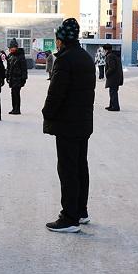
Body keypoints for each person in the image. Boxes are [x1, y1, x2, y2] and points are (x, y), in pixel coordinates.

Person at [42, 18, 96, 233]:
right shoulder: (85, 57)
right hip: (83, 121)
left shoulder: (64, 60)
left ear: (62, 39)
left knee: (67, 169)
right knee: (80, 167)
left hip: (67, 123)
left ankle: (69, 217)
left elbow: (56, 92)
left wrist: (47, 112)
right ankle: (80, 211)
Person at [6, 38, 28, 115]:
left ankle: (17, 109)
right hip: (12, 78)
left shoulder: (20, 56)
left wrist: (24, 78)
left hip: (18, 78)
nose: (10, 49)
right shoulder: (10, 56)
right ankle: (14, 108)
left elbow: (24, 68)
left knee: (16, 93)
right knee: (13, 93)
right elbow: (8, 68)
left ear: (16, 47)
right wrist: (7, 76)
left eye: (12, 47)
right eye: (10, 48)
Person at [103, 44, 123, 111]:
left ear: (106, 50)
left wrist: (107, 73)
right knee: (113, 91)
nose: (103, 52)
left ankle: (115, 107)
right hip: (117, 77)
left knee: (113, 92)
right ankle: (112, 105)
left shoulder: (110, 56)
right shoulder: (114, 55)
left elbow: (112, 67)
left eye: (104, 50)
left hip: (113, 77)